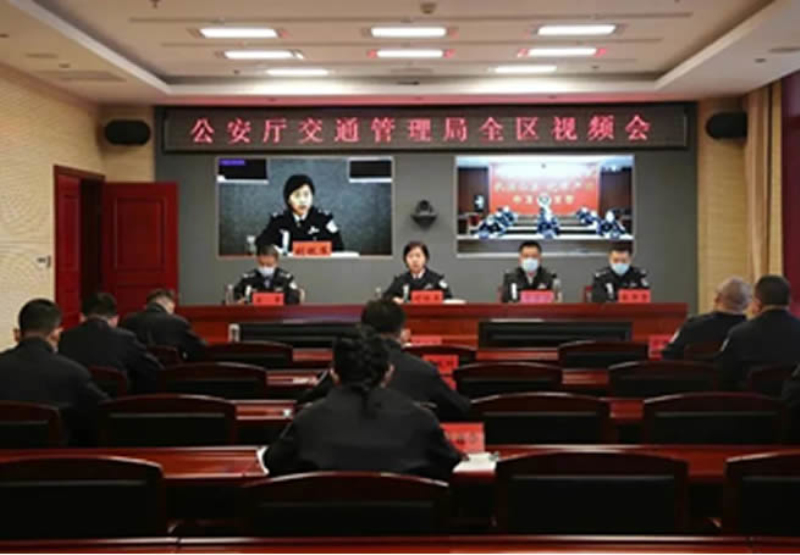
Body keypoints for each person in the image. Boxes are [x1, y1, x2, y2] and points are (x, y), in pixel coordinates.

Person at [264, 326, 462, 480]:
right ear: (389, 373)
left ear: (334, 374)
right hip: (405, 521)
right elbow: (450, 462)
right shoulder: (421, 419)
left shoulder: (307, 420)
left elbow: (273, 462)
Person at [298, 300, 470, 420]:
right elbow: (463, 410)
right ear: (401, 332)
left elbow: (304, 405)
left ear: (362, 328)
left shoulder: (346, 363)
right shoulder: (425, 371)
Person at [0, 300, 107, 430]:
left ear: (17, 333)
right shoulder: (74, 373)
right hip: (58, 442)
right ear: (56, 335)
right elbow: (107, 412)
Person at [59, 293, 162, 393]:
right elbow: (153, 368)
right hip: (116, 400)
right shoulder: (125, 338)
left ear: (81, 317)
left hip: (75, 399)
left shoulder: (65, 338)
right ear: (115, 319)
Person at [718, 275, 800, 390]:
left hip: (751, 400)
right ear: (789, 301)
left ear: (757, 303)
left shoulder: (739, 334)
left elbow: (724, 376)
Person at [661, 277, 751, 360]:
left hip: (693, 372)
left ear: (717, 298)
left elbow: (669, 355)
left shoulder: (692, 326)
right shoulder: (751, 333)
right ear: (747, 304)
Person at [255, 174, 345, 254]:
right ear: (288, 199)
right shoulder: (279, 221)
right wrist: (273, 249)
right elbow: (261, 244)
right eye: (297, 195)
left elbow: (339, 247)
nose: (302, 200)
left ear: (312, 197)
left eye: (306, 195)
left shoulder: (323, 219)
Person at [121, 289, 206, 361]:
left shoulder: (128, 321)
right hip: (170, 373)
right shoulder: (178, 322)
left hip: (136, 374)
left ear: (146, 306)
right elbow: (201, 351)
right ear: (170, 305)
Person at [383, 241, 453, 303]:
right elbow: (386, 296)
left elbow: (448, 297)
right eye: (410, 256)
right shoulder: (401, 280)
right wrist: (394, 299)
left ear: (426, 258)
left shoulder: (435, 279)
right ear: (405, 260)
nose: (414, 260)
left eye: (418, 256)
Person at [233, 244, 301, 304]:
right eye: (262, 264)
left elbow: (294, 297)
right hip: (254, 313)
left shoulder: (286, 278)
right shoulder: (248, 278)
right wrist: (241, 300)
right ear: (257, 261)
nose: (265, 267)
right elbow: (238, 294)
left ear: (276, 262)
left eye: (269, 265)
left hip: (280, 312)